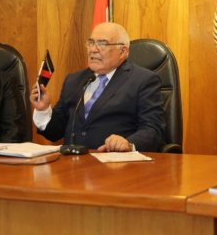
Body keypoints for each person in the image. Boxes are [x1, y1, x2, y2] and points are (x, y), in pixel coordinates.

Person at [31, 23, 165, 152]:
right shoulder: (74, 80)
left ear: (123, 51)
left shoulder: (143, 80)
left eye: (102, 44)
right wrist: (43, 109)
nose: (93, 49)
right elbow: (55, 133)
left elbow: (153, 129)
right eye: (90, 43)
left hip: (116, 167)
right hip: (73, 168)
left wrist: (128, 144)